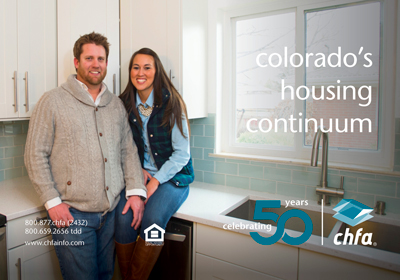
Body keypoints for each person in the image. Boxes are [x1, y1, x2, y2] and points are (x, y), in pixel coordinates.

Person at [24, 32, 147, 280]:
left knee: (105, 275)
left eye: (100, 58)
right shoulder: (52, 101)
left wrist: (135, 192)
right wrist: (52, 202)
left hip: (111, 213)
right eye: (89, 58)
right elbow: (34, 154)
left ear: (106, 64)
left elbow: (128, 151)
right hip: (73, 216)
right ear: (76, 62)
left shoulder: (115, 105)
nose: (95, 64)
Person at [116, 48, 194, 280]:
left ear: (156, 71)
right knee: (121, 219)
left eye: (147, 67)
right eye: (136, 67)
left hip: (172, 176)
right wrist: (137, 170)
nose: (141, 73)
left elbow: (182, 155)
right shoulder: (123, 104)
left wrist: (156, 181)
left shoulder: (172, 103)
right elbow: (120, 146)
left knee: (152, 220)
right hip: (137, 176)